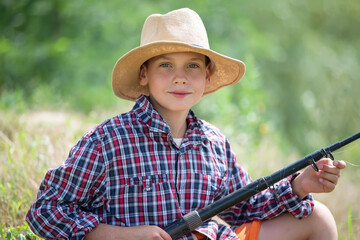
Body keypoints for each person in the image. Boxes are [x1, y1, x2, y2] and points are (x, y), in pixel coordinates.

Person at [26, 8, 346, 240]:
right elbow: (45, 211)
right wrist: (116, 235)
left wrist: (301, 185)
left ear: (206, 77)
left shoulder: (214, 143)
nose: (180, 77)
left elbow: (246, 207)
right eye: (166, 65)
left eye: (192, 65)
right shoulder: (108, 141)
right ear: (144, 75)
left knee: (318, 218)